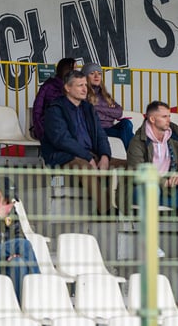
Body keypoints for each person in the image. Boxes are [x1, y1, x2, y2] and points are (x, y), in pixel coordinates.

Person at [40, 70, 124, 214]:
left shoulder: (88, 108)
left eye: (85, 84)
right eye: (80, 85)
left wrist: (104, 156)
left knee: (129, 166)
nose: (85, 88)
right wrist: (87, 157)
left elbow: (101, 135)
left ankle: (125, 208)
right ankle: (105, 210)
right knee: (84, 167)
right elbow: (62, 140)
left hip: (91, 155)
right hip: (65, 156)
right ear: (67, 87)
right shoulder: (55, 109)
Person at [82, 63, 135, 150]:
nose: (96, 76)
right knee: (130, 135)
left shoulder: (105, 95)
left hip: (110, 127)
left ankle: (132, 156)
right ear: (85, 76)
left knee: (126, 123)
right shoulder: (83, 93)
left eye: (99, 73)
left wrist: (96, 107)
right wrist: (110, 112)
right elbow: (89, 113)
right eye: (92, 73)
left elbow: (119, 112)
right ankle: (133, 158)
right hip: (97, 129)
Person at [31, 57, 76, 139]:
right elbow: (37, 111)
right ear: (67, 70)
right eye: (75, 69)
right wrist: (41, 132)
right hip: (50, 127)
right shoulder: (48, 86)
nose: (77, 73)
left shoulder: (75, 88)